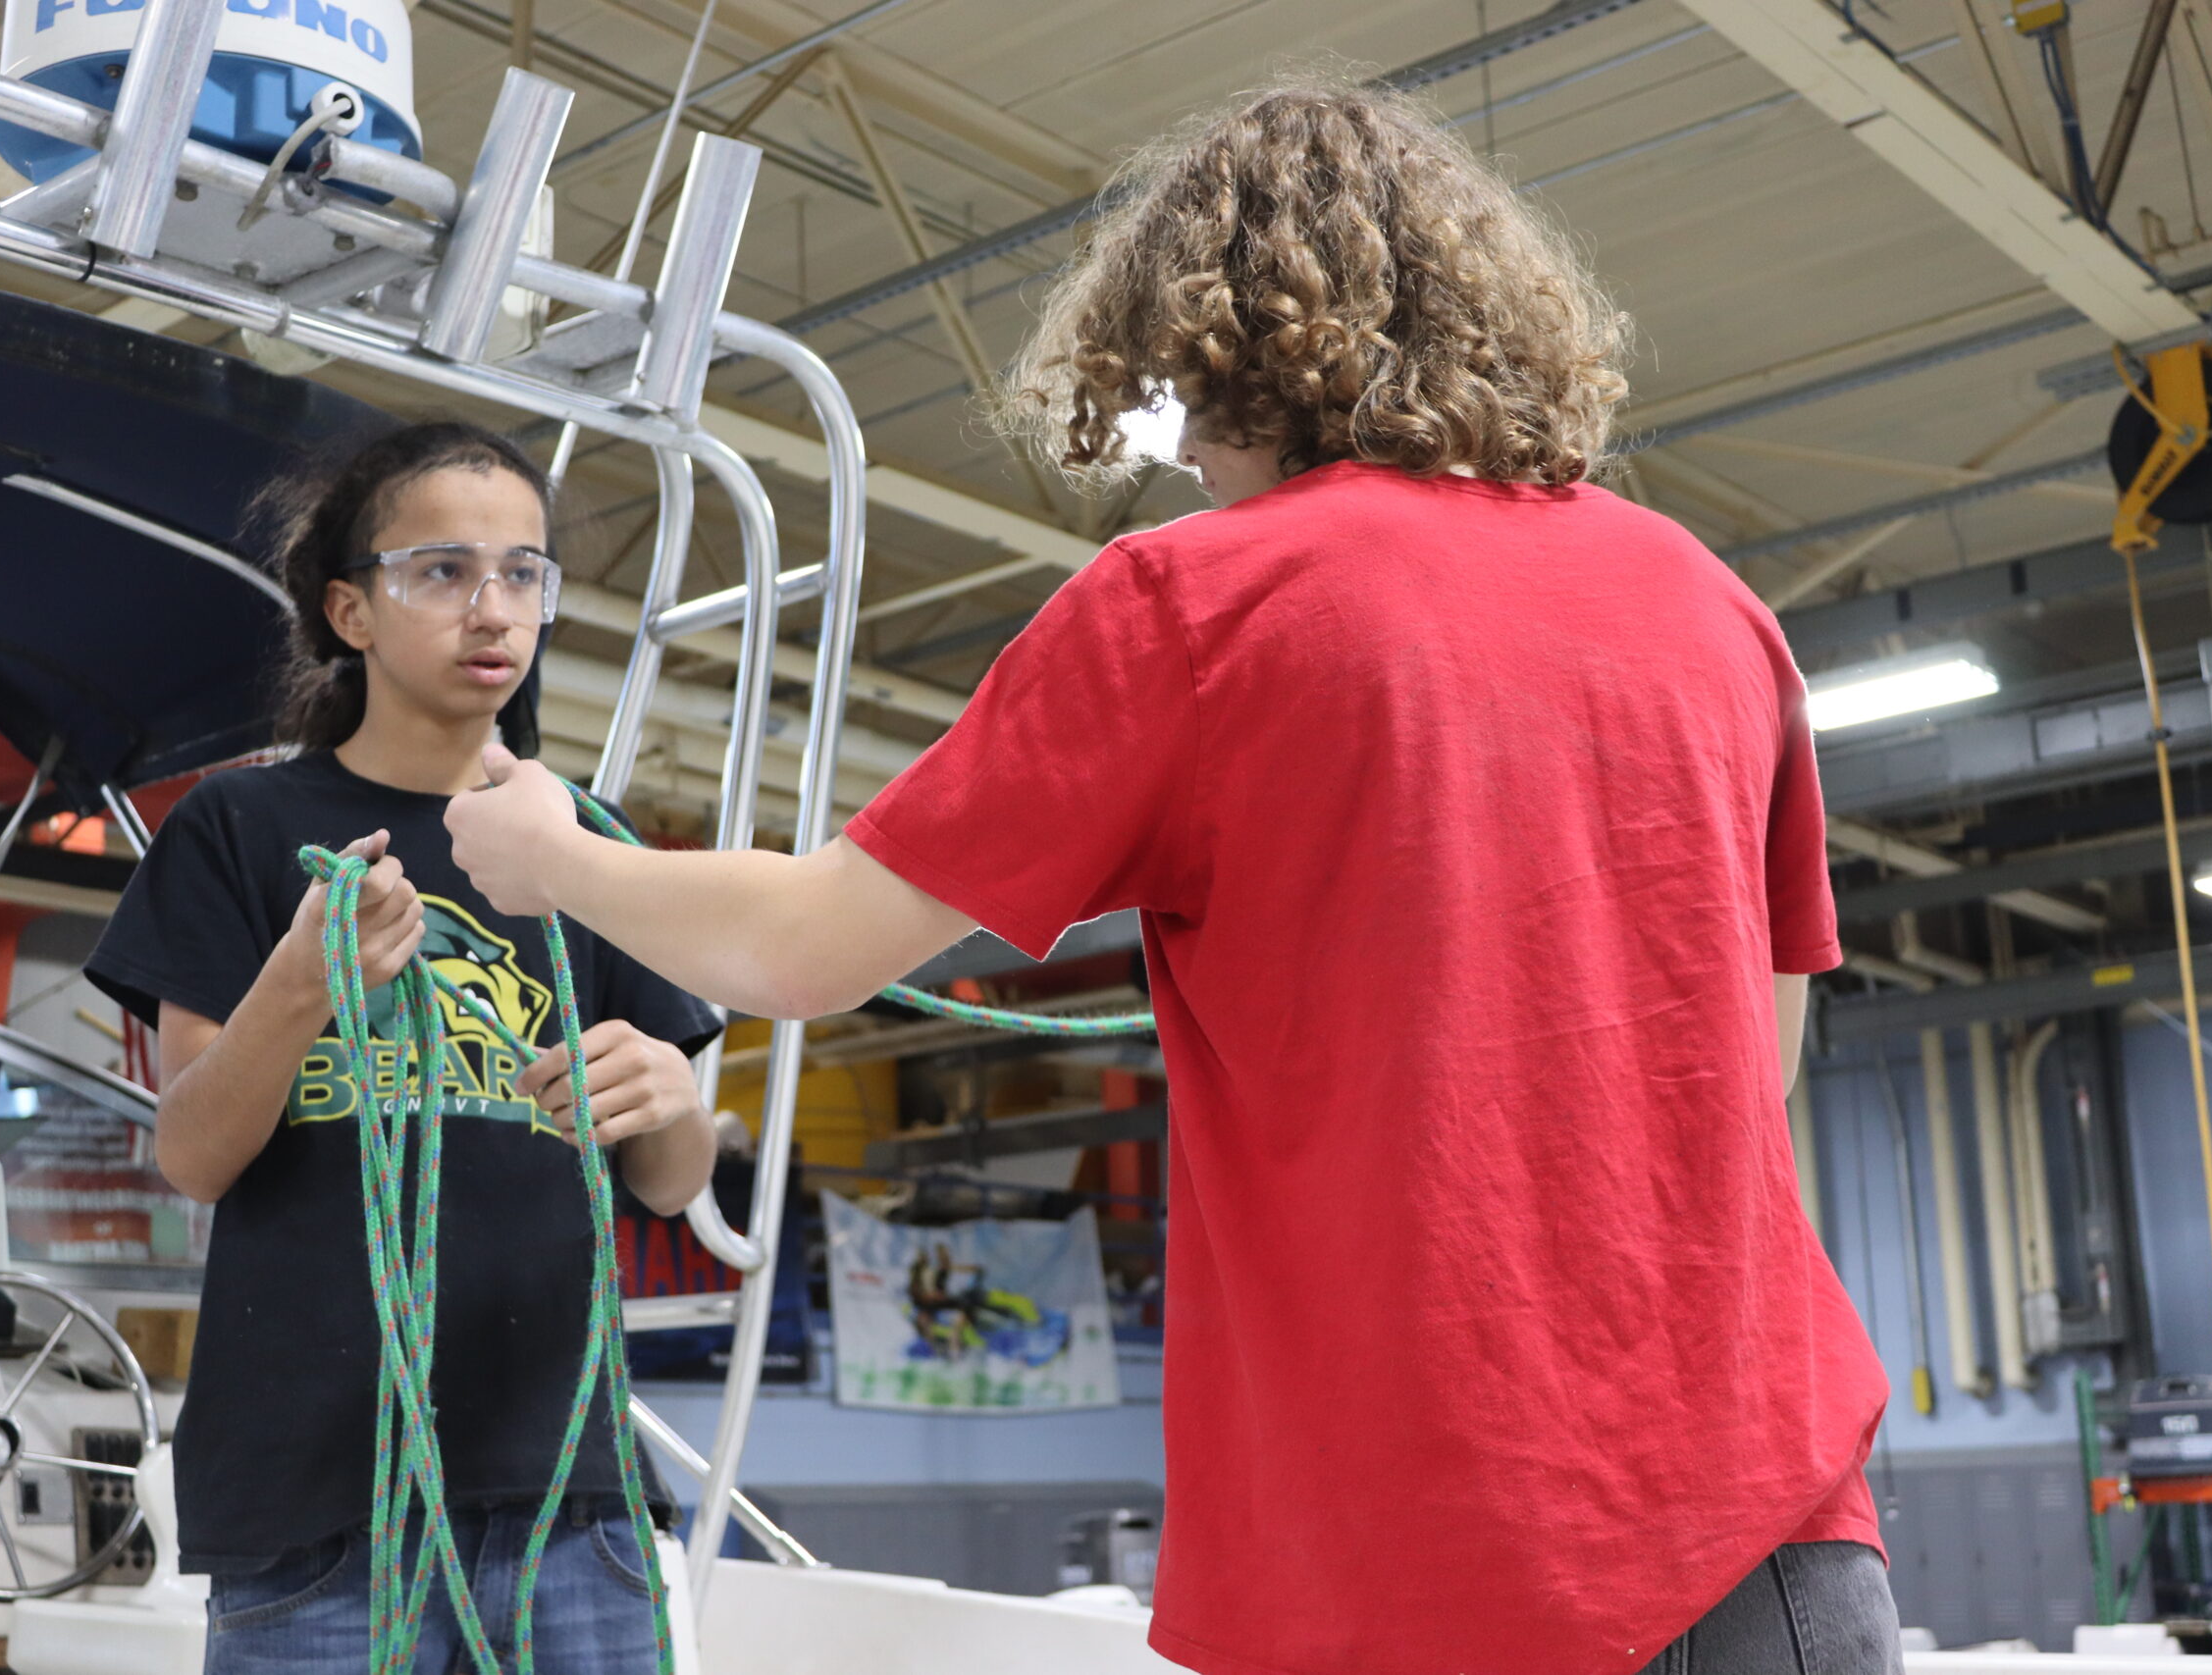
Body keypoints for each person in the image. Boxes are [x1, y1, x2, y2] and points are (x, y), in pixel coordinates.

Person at [445, 81, 1895, 1675]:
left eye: (1173, 402)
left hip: (1437, 1554)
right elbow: (1753, 1074)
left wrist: (554, 854)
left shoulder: (1197, 604)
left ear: (1220, 359)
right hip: (1778, 1532)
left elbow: (806, 948)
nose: (1185, 456)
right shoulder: (1709, 606)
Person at [86, 422, 720, 1675]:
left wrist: (674, 1101)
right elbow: (195, 1155)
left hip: (565, 1496)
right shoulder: (243, 827)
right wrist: (300, 982)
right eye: (441, 570)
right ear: (351, 610)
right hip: (318, 1501)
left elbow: (670, 1181)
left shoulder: (580, 839)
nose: (492, 607)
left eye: (523, 573)